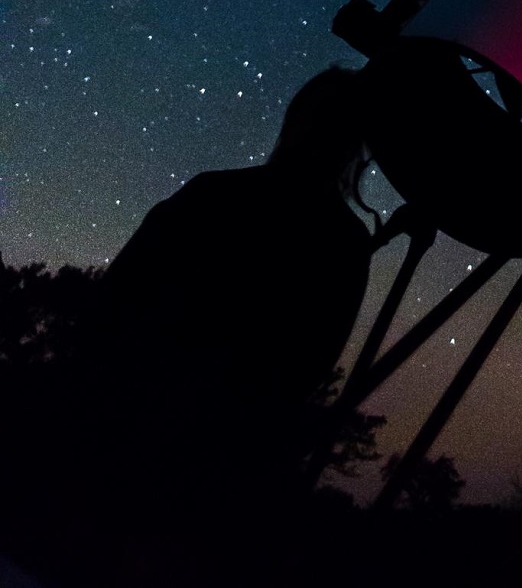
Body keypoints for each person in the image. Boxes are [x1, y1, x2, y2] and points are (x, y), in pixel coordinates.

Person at [60, 67, 374, 579]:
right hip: (201, 460)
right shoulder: (341, 241)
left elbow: (113, 303)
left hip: (147, 439)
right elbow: (306, 371)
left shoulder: (215, 195)